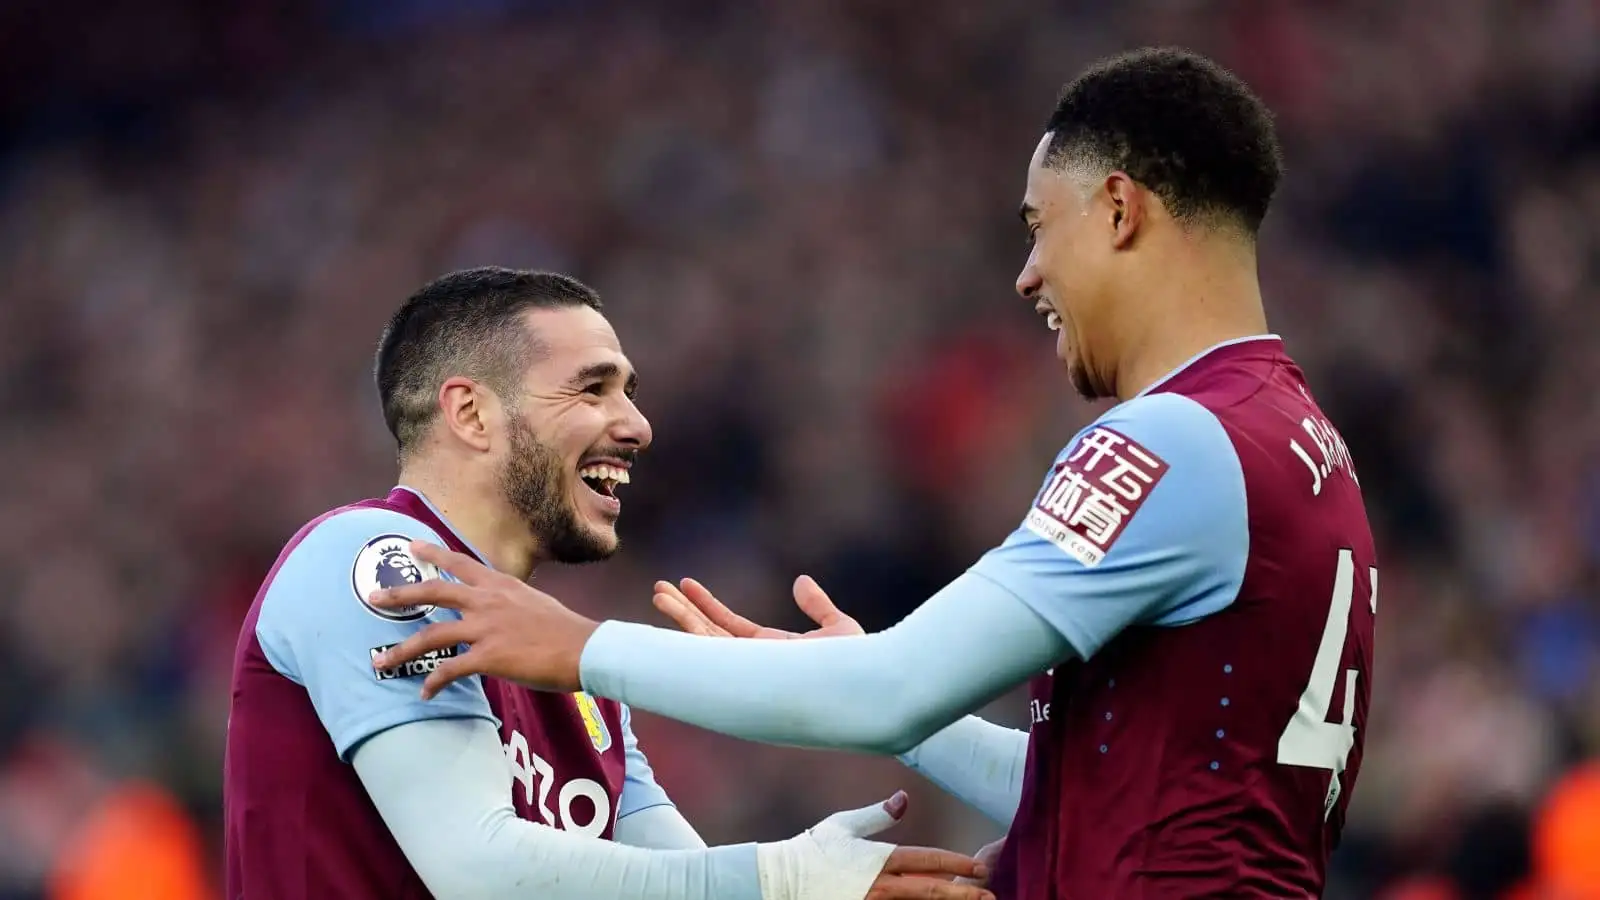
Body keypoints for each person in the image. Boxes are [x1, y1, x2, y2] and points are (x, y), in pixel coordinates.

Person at [368, 48, 1379, 898]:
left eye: (1037, 225)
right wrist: (883, 694)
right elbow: (1135, 785)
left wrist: (581, 646)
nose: (1027, 273)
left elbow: (890, 692)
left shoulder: (1168, 443)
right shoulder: (1299, 443)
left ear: (1118, 209)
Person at [222, 266, 993, 900]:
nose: (637, 424)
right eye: (592, 390)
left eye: (628, 390)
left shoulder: (572, 674)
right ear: (471, 413)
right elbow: (478, 868)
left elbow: (679, 881)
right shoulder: (367, 557)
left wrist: (830, 886)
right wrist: (784, 879)